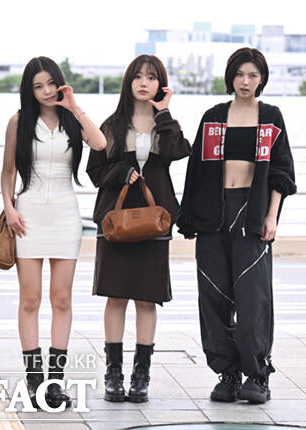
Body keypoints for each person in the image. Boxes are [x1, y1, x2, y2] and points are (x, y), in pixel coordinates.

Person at [177, 47, 296, 404]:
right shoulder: (213, 116)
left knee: (253, 297)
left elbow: (282, 173)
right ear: (230, 77)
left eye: (253, 75)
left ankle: (257, 376)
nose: (245, 81)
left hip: (252, 213)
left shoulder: (271, 117)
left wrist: (272, 216)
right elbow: (196, 171)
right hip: (214, 215)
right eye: (240, 74)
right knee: (213, 295)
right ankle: (227, 374)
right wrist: (190, 218)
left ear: (262, 79)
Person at [1, 56, 107, 408]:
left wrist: (74, 106)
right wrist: (9, 207)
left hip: (65, 215)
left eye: (50, 83)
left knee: (61, 299)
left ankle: (56, 382)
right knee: (30, 299)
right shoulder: (18, 121)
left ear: (60, 84)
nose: (46, 91)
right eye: (38, 86)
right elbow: (8, 171)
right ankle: (34, 380)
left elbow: (100, 143)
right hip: (28, 214)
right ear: (29, 90)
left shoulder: (72, 119)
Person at [86, 55, 191, 403]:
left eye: (151, 77)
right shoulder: (112, 125)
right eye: (138, 77)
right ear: (128, 82)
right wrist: (121, 172)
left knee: (147, 298)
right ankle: (113, 374)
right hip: (117, 221)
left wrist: (164, 113)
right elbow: (95, 171)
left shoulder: (165, 124)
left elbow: (178, 152)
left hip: (154, 220)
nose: (144, 83)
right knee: (116, 296)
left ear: (160, 84)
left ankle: (141, 375)